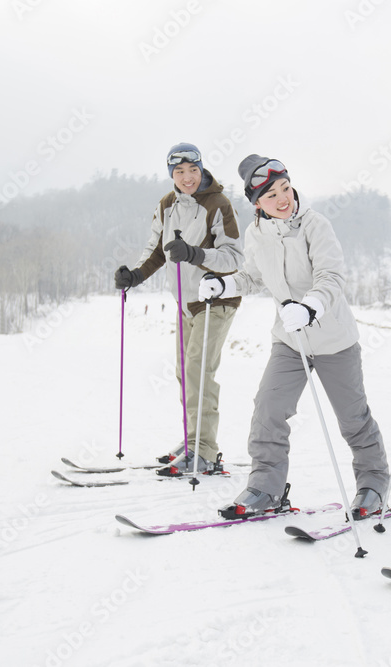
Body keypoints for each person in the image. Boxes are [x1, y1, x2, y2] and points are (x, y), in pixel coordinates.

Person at [199, 155, 390, 519]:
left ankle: (373, 485)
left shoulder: (316, 226)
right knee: (268, 410)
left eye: (285, 188)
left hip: (335, 342)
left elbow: (331, 277)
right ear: (257, 203)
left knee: (353, 419)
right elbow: (254, 277)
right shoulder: (256, 234)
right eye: (271, 194)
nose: (283, 198)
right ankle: (265, 488)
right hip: (290, 342)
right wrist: (224, 284)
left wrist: (310, 306)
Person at [115, 142, 243, 476]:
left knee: (199, 369)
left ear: (202, 169)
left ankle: (204, 450)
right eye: (179, 172)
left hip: (216, 298)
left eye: (192, 170)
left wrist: (196, 254)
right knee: (184, 372)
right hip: (185, 303)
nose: (187, 177)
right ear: (171, 174)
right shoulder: (167, 205)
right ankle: (193, 441)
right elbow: (157, 249)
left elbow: (234, 257)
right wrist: (136, 274)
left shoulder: (218, 205)